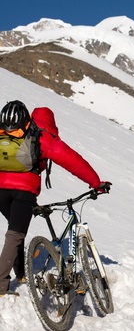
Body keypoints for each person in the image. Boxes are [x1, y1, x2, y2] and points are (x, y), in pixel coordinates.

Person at [0, 100, 110, 296]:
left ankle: (21, 274)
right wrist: (95, 183)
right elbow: (72, 160)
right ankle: (1, 285)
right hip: (24, 192)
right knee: (15, 234)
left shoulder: (3, 133)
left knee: (15, 231)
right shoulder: (42, 137)